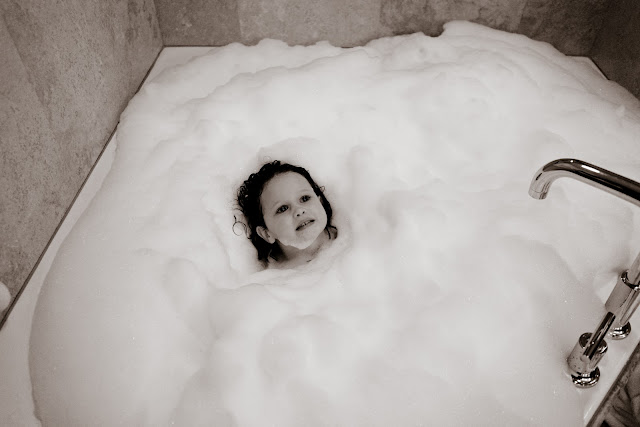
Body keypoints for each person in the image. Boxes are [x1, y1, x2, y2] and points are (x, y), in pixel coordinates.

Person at [236, 160, 338, 268]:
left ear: (320, 202)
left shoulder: (350, 242)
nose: (299, 210)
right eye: (283, 208)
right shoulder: (273, 277)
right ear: (266, 234)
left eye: (305, 198)